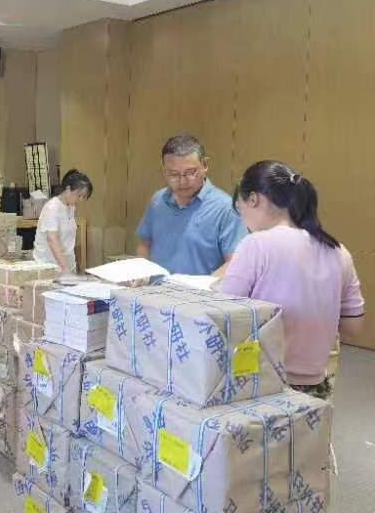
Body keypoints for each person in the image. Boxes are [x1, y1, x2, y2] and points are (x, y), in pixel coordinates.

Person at [220, 161, 364, 399]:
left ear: (253, 199)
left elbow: (224, 316)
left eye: (239, 207)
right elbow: (353, 327)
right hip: (315, 389)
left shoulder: (256, 244)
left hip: (260, 386)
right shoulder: (339, 251)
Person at [136, 134, 247, 275]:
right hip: (156, 287)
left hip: (202, 288)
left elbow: (235, 263)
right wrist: (140, 274)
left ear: (205, 165)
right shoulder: (158, 200)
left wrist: (205, 284)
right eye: (173, 174)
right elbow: (144, 244)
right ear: (164, 170)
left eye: (190, 172)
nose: (182, 181)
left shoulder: (226, 208)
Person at [32, 169, 92, 274]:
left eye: (83, 197)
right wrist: (65, 268)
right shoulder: (52, 207)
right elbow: (52, 239)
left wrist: (69, 268)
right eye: (79, 195)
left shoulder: (70, 207)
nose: (81, 200)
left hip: (67, 267)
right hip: (49, 268)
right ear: (68, 189)